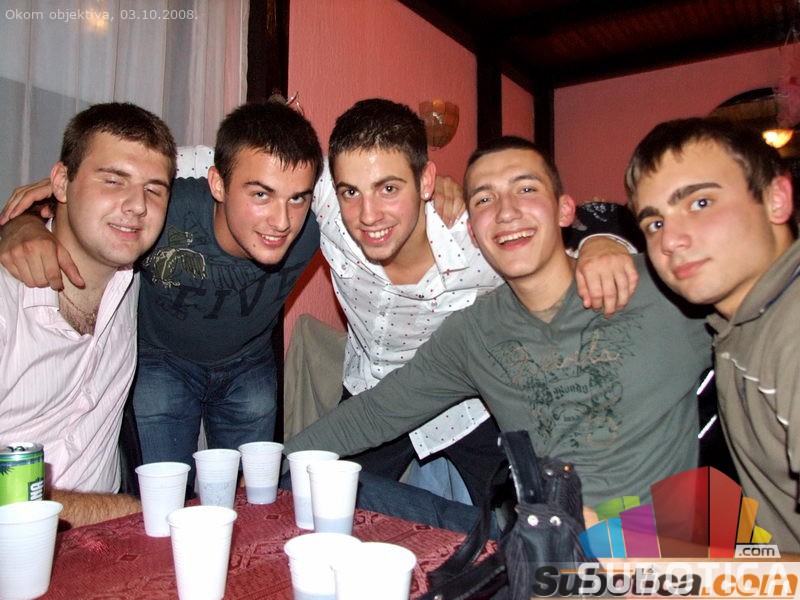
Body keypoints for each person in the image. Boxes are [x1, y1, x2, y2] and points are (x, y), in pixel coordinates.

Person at [284, 135, 711, 521]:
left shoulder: (660, 287)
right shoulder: (474, 334)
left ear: (566, 209)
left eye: (526, 189)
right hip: (544, 546)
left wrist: (606, 236)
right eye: (485, 199)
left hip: (670, 550)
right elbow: (377, 412)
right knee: (330, 498)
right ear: (472, 230)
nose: (507, 212)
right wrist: (276, 463)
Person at [0, 100, 324, 487]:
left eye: (297, 198)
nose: (282, 221)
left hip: (248, 364)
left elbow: (362, 203)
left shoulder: (313, 232)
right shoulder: (161, 214)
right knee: (163, 493)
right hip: (162, 361)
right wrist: (25, 221)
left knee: (253, 494)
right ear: (217, 185)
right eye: (261, 195)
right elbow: (109, 196)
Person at [624, 117, 800, 553]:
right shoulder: (740, 322)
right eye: (654, 224)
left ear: (776, 199)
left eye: (700, 203)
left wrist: (674, 568)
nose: (670, 241)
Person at [0, 102, 176, 527]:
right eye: (113, 181)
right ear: (61, 182)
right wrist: (130, 512)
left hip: (107, 549)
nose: (137, 205)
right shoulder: (7, 301)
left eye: (154, 189)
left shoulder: (131, 282)